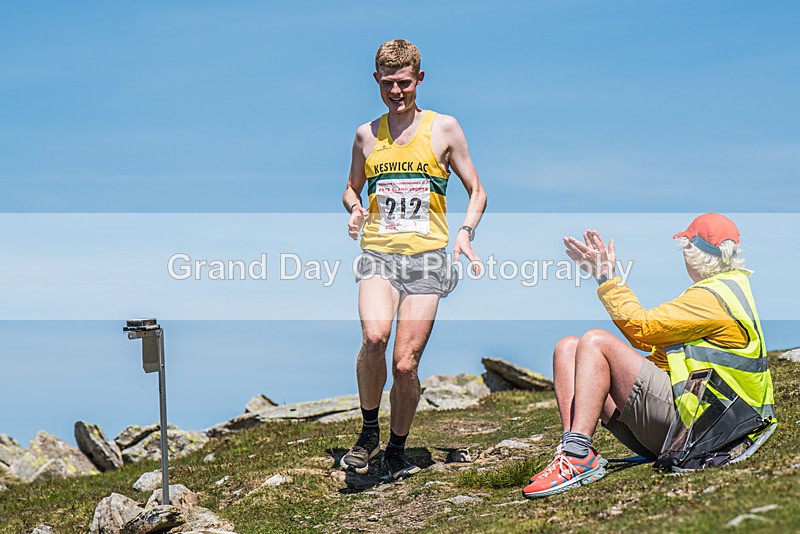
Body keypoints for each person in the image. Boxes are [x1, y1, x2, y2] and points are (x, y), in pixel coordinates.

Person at [522, 213, 775, 499]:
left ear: (690, 252)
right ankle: (572, 450)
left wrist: (606, 278)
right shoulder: (725, 290)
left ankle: (577, 456)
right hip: (692, 423)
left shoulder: (710, 297)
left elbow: (641, 329)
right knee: (568, 348)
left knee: (595, 342)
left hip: (705, 430)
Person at [340, 39, 487, 480]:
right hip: (379, 255)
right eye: (387, 83)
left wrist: (465, 233)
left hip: (427, 259)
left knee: (405, 364)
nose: (396, 92)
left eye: (404, 83)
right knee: (375, 337)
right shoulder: (366, 135)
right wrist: (355, 209)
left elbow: (477, 191)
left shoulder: (444, 129)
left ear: (419, 79)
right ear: (376, 80)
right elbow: (350, 188)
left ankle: (397, 450)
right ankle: (369, 433)